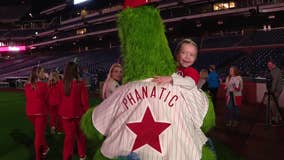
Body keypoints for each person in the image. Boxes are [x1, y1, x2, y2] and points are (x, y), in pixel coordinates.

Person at [57, 62, 89, 160]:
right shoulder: (80, 84)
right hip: (78, 114)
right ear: (76, 71)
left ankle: (66, 157)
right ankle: (82, 155)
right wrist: (87, 113)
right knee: (80, 136)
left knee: (69, 138)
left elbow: (58, 100)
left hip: (65, 115)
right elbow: (84, 101)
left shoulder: (60, 83)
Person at [25, 66, 49, 160]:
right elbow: (47, 99)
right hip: (40, 112)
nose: (44, 73)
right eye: (42, 72)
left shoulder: (27, 85)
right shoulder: (43, 85)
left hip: (30, 113)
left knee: (39, 132)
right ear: (38, 74)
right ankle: (38, 157)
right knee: (38, 135)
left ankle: (45, 148)